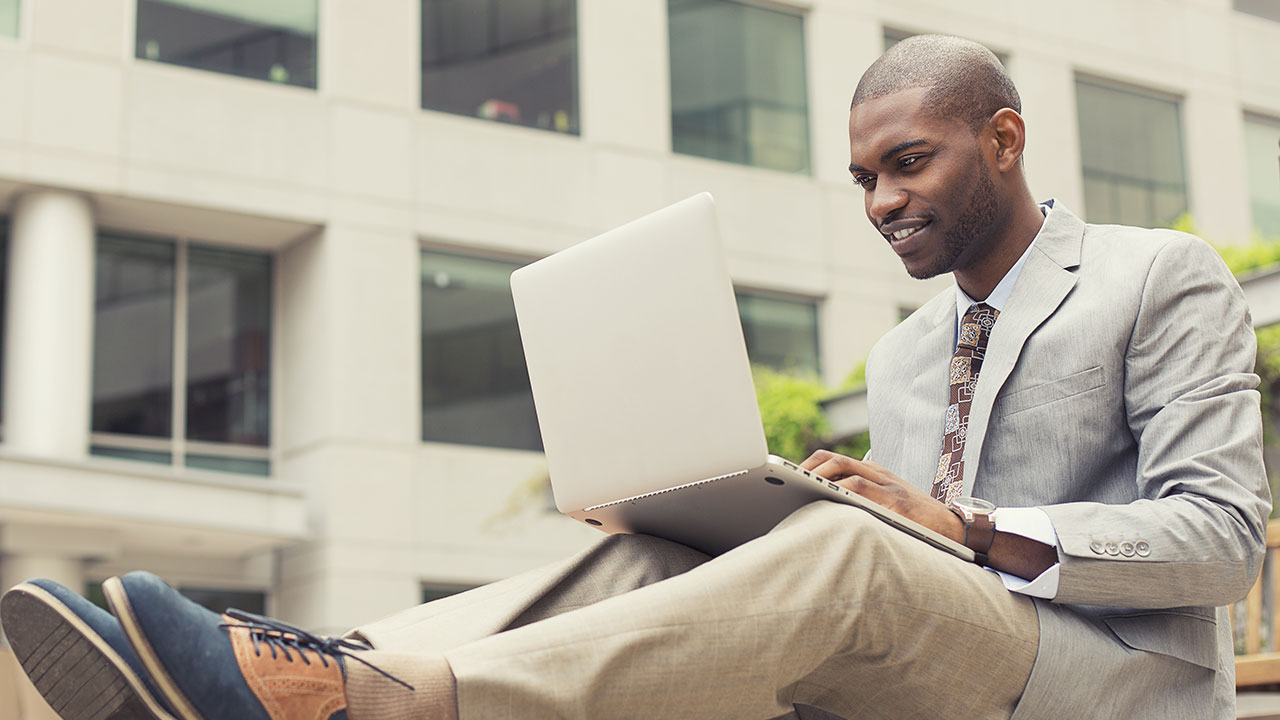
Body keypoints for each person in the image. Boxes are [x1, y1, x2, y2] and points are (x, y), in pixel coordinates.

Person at [1, 34, 1270, 720]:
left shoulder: (1154, 278)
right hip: (927, 660)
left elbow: (1221, 544)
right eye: (862, 180)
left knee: (847, 554)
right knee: (647, 556)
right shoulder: (898, 353)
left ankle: (360, 707)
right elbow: (896, 569)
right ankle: (305, 671)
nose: (880, 203)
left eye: (908, 163)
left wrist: (961, 527)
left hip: (1104, 683)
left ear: (1003, 139)